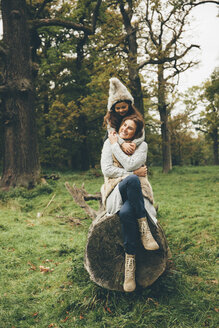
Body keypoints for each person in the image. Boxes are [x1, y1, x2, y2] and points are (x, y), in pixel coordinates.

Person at [101, 114, 159, 293]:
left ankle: (129, 265)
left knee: (126, 213)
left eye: (130, 128)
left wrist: (116, 147)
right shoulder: (108, 142)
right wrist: (115, 145)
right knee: (132, 179)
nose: (125, 129)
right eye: (124, 125)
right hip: (115, 192)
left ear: (136, 132)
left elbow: (130, 162)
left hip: (137, 194)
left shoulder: (142, 146)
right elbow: (107, 170)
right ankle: (144, 228)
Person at [103, 77, 145, 155]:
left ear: (129, 106)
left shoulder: (136, 117)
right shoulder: (110, 118)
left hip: (131, 142)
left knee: (142, 146)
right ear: (113, 108)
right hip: (115, 140)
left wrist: (134, 144)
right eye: (118, 108)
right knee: (108, 141)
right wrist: (122, 144)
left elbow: (142, 134)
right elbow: (112, 133)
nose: (121, 110)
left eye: (123, 107)